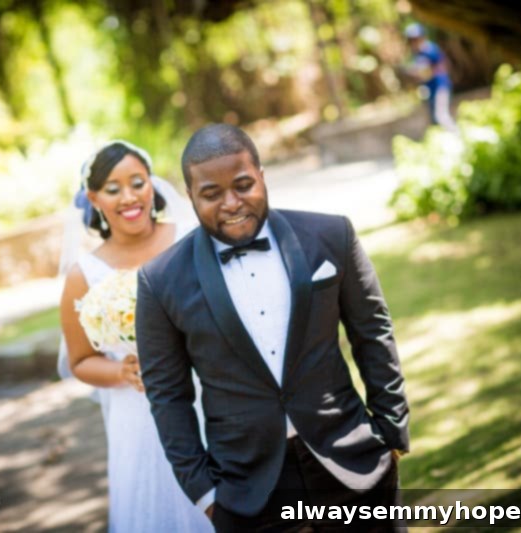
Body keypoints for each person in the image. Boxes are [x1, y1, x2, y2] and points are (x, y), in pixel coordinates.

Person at [136, 124, 410, 531]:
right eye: (211, 194)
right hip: (246, 491)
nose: (231, 203)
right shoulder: (159, 281)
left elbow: (372, 332)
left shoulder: (331, 235)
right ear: (190, 196)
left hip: (353, 463)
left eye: (243, 185)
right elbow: (167, 395)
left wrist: (391, 433)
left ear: (262, 176)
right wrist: (206, 494)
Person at [59, 140, 212, 532]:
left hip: (209, 394)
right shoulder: (85, 275)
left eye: (138, 182)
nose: (129, 197)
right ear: (94, 198)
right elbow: (79, 361)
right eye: (113, 188)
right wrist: (122, 372)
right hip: (139, 418)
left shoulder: (191, 238)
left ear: (153, 185)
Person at [404, 23, 458, 132]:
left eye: (416, 39)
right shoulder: (417, 54)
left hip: (440, 87)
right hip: (429, 90)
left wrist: (425, 73)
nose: (414, 42)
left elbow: (442, 67)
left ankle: (457, 136)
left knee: (441, 115)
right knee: (434, 120)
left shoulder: (430, 49)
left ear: (422, 37)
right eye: (411, 40)